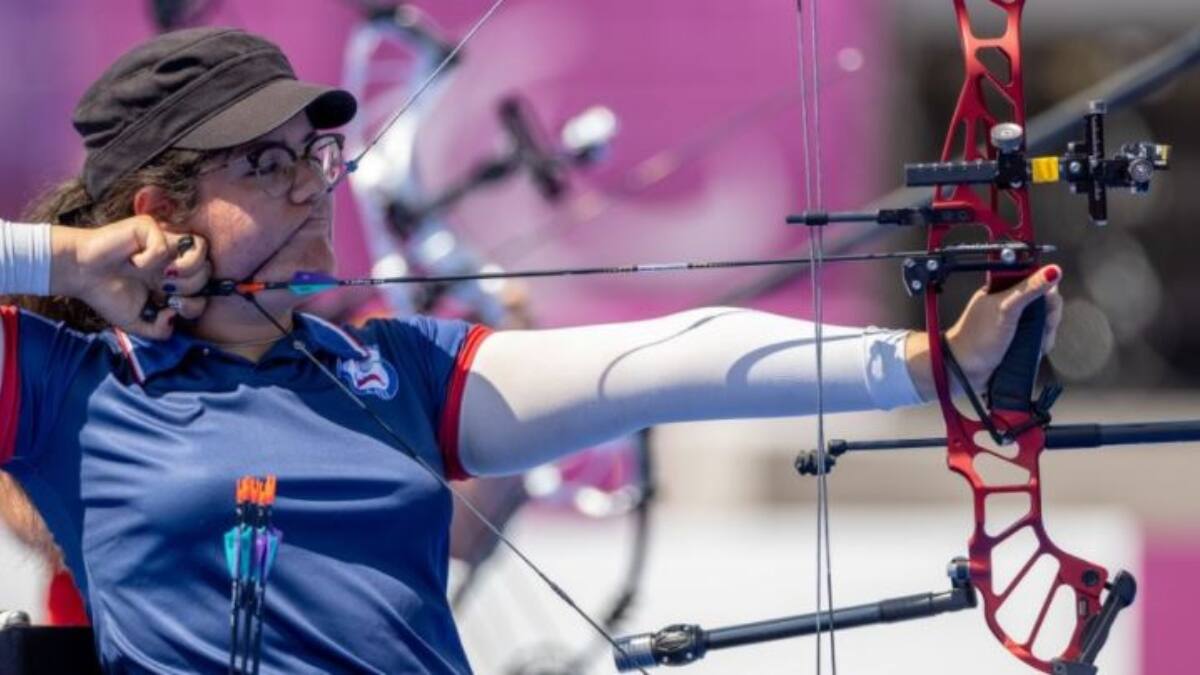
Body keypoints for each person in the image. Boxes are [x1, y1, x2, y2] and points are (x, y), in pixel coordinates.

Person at [0, 27, 1063, 674]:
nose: (309, 180)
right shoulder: (71, 389)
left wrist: (928, 363)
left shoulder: (392, 368)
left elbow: (662, 360)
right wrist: (65, 261)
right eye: (263, 161)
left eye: (313, 152)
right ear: (157, 210)